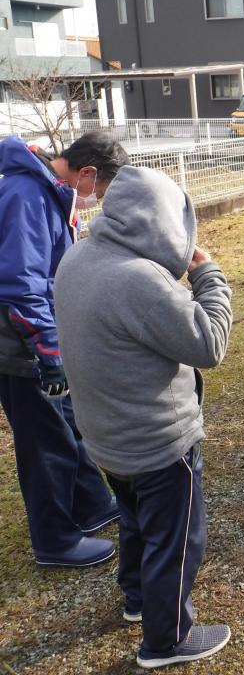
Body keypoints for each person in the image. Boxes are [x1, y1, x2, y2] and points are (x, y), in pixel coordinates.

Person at [55, 166, 233, 668]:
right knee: (176, 541)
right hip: (158, 443)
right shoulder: (139, 281)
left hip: (107, 437)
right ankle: (167, 640)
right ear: (160, 221)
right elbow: (209, 345)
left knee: (135, 520)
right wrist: (208, 275)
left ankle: (137, 598)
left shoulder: (77, 258)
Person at [0, 132, 128, 567]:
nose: (99, 199)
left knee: (70, 424)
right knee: (45, 442)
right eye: (103, 189)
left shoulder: (46, 189)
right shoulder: (26, 194)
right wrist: (48, 354)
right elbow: (20, 284)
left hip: (44, 337)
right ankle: (54, 541)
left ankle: (91, 504)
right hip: (21, 344)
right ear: (87, 173)